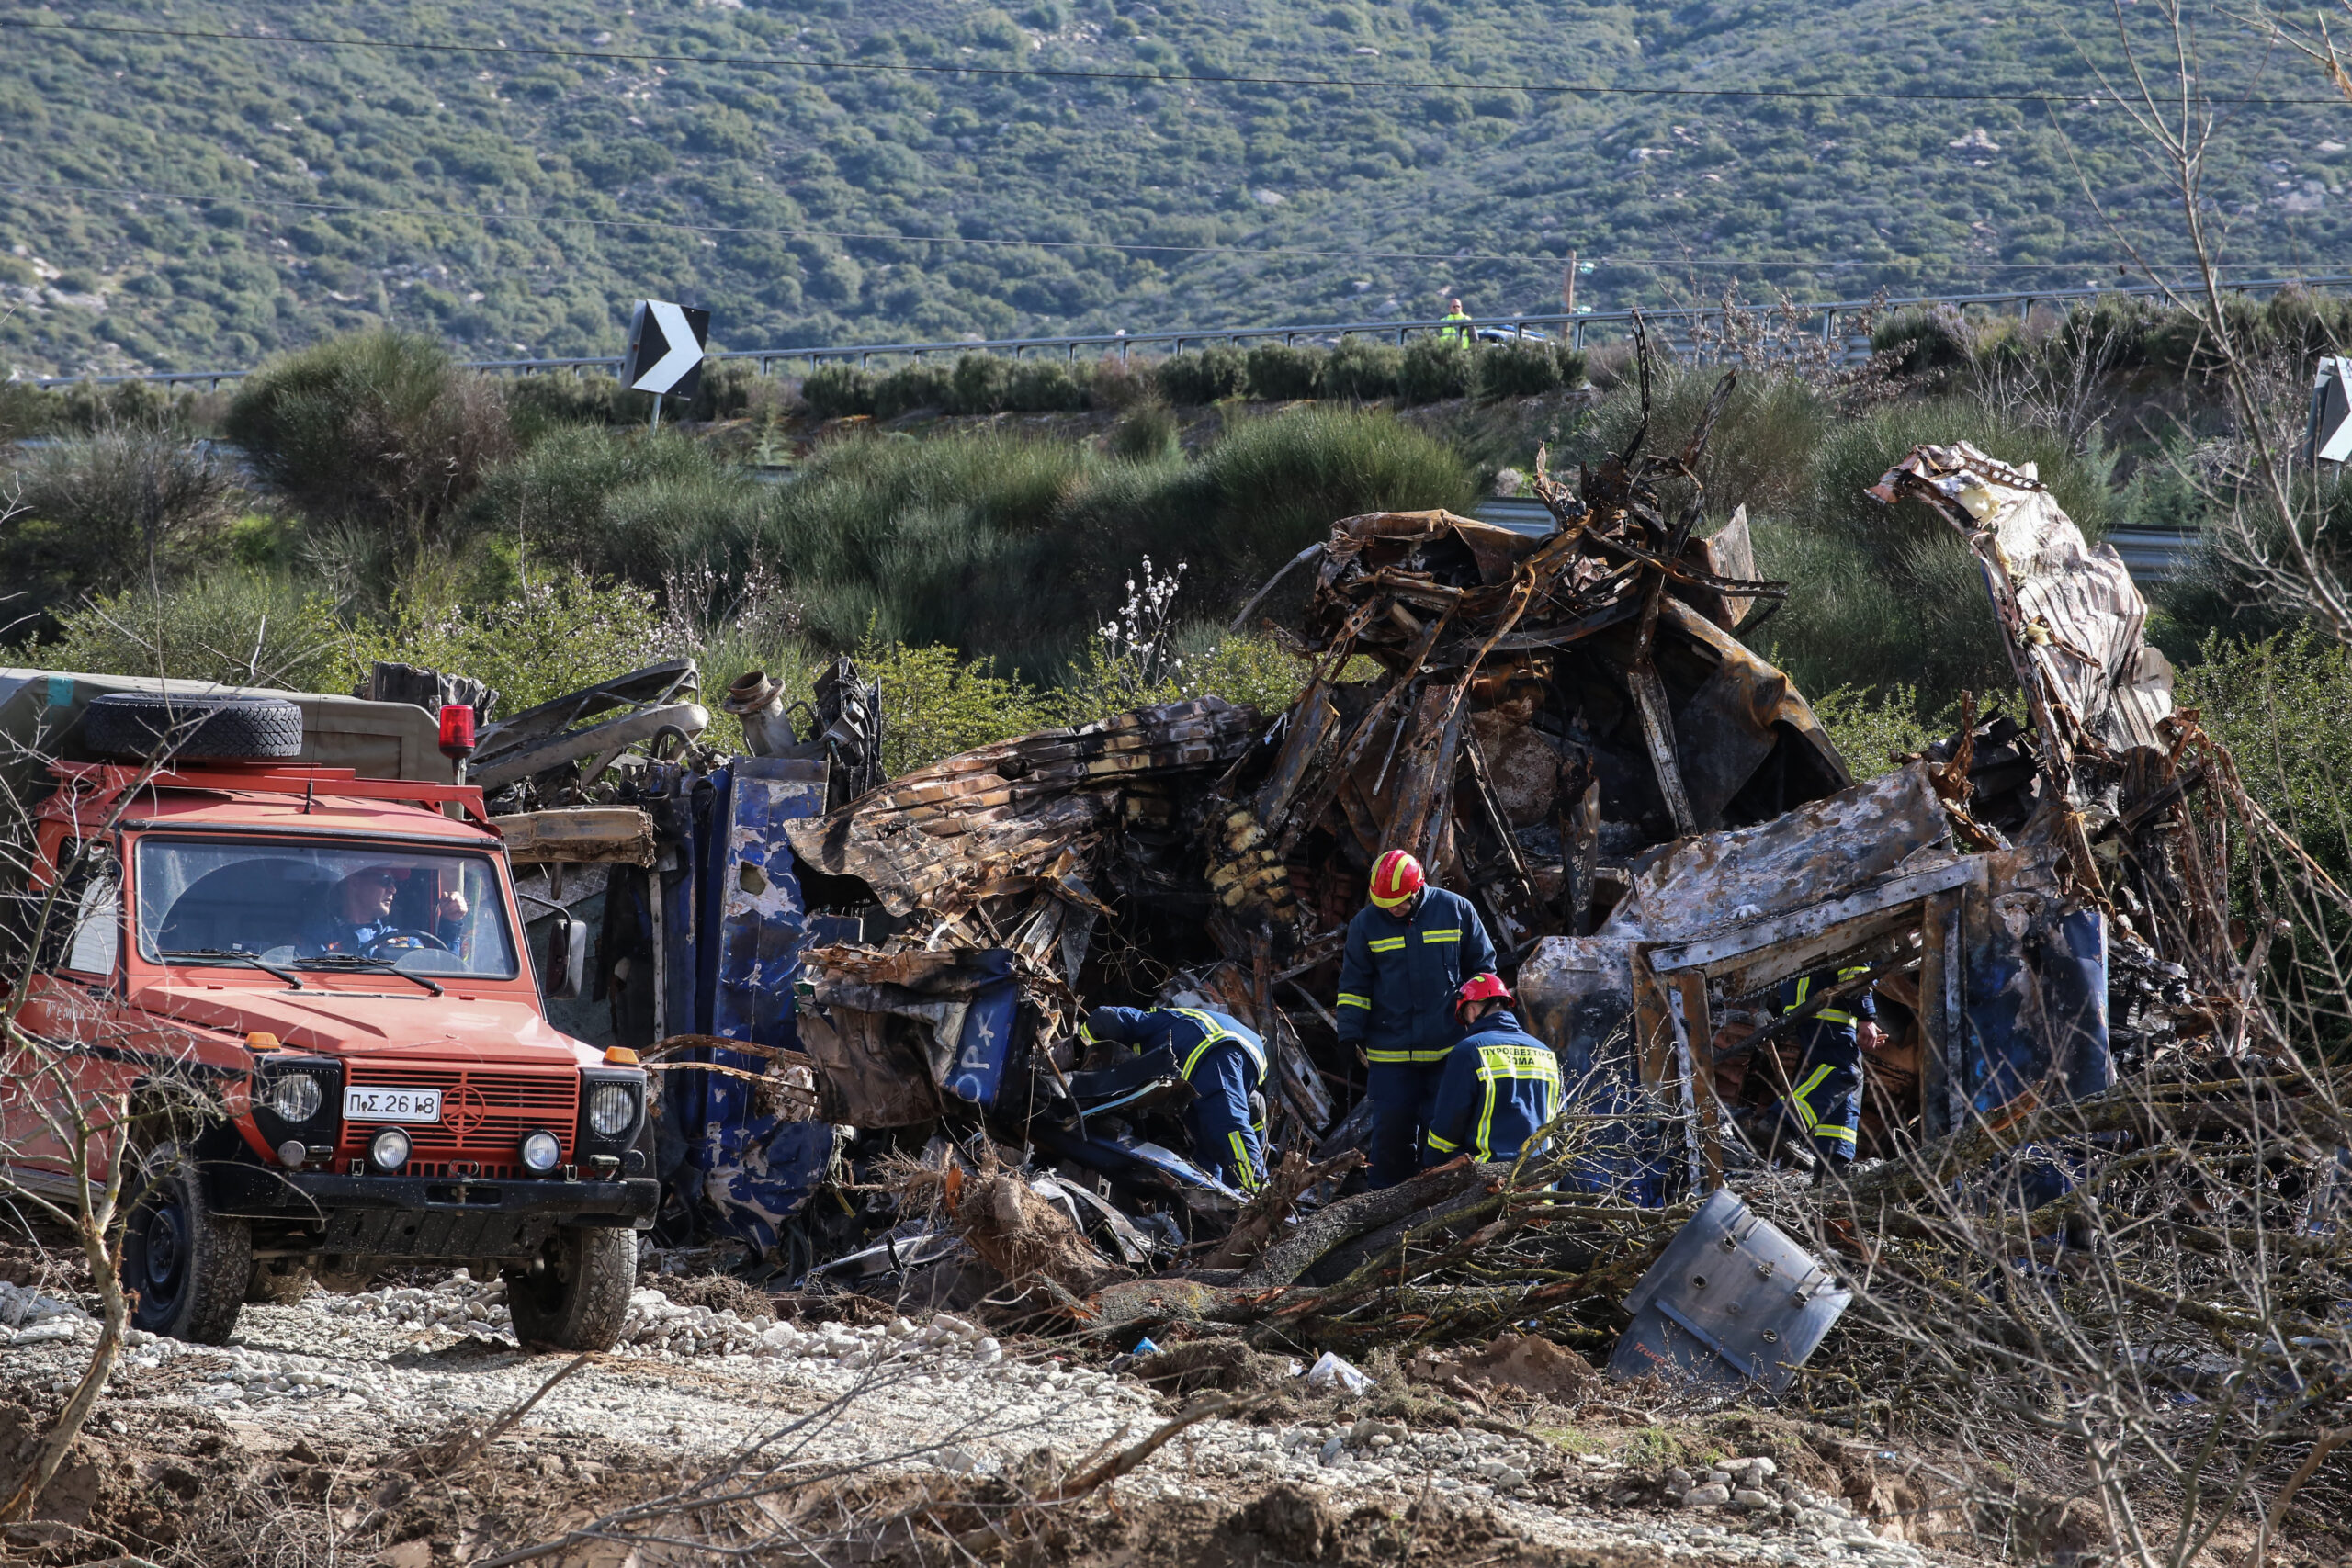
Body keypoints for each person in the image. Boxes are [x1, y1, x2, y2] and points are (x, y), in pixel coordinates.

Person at [1334, 849, 1497, 1189]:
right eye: (1385, 904)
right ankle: (1386, 1212)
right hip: (1390, 1056)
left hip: (1448, 1052)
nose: (1392, 910)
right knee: (1391, 1140)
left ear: (1417, 889)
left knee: (1445, 1137)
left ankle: (1441, 1209)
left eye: (1399, 903)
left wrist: (1479, 1027)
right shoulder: (1365, 925)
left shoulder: (1456, 911)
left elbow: (1482, 974)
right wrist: (1348, 1035)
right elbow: (1354, 986)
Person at [1079, 1004, 1267, 1192]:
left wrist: (1081, 1048)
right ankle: (1221, 1203)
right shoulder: (1160, 1023)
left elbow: (1103, 1017)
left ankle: (1258, 1195)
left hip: (1212, 1045)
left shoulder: (1139, 1022)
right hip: (1232, 1054)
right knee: (1204, 1148)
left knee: (1226, 1125)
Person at [1757, 964, 1884, 1180]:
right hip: (1826, 1005)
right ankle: (1781, 1123)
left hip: (1813, 1004)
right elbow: (1856, 968)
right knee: (1844, 1072)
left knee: (1849, 1080)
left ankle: (1833, 1162)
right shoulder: (1871, 930)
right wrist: (1866, 1017)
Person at [1424, 974, 1561, 1168]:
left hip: (1487, 1181)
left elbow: (1448, 1126)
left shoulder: (1469, 1050)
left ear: (1470, 1010)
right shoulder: (1546, 1053)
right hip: (1540, 1182)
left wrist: (1431, 1165)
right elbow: (1560, 1120)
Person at [301, 865, 466, 958]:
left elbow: (441, 976)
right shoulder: (315, 938)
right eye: (385, 881)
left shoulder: (405, 941)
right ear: (354, 884)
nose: (393, 889)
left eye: (394, 883)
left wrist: (451, 923)